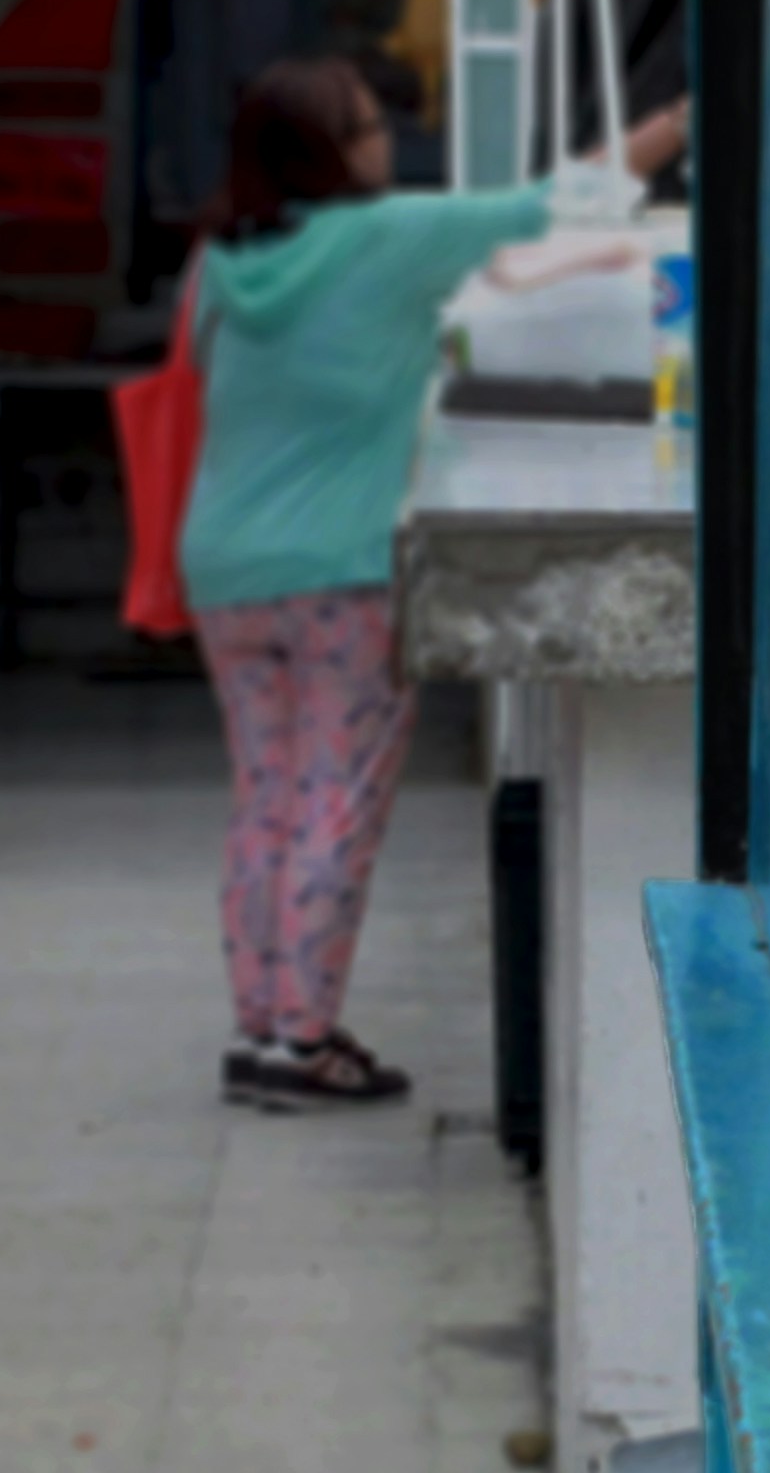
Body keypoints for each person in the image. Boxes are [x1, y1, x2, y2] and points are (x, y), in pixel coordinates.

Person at [178, 57, 553, 1105]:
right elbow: (542, 207)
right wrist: (680, 120)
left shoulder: (217, 260)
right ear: (323, 152)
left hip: (225, 568)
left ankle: (258, 1030)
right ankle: (306, 1041)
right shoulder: (382, 239)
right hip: (344, 566)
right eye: (366, 127)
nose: (387, 142)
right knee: (336, 801)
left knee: (266, 796)